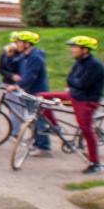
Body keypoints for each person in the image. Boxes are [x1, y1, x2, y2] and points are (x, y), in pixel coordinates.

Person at [38, 36, 103, 174]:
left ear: (85, 50)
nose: (72, 50)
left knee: (86, 130)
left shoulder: (95, 66)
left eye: (74, 47)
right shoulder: (79, 62)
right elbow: (70, 79)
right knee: (41, 97)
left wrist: (73, 84)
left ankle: (95, 163)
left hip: (86, 101)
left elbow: (82, 84)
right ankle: (55, 126)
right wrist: (73, 84)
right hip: (74, 95)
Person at [7, 31, 50, 156]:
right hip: (29, 91)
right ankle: (37, 142)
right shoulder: (25, 56)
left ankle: (44, 147)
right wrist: (9, 55)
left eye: (18, 42)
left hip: (37, 91)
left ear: (27, 44)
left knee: (39, 119)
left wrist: (16, 86)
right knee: (34, 118)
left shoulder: (35, 57)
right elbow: (12, 64)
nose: (16, 44)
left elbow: (31, 76)